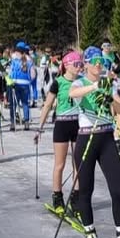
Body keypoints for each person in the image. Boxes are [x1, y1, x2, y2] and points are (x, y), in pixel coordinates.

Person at [70, 48, 120, 238]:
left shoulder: (110, 84)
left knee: (117, 190)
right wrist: (96, 86)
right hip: (86, 138)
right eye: (94, 61)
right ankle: (90, 234)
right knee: (86, 191)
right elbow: (73, 94)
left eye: (101, 62)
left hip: (106, 138)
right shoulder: (80, 82)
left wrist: (109, 97)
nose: (99, 65)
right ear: (85, 64)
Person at [39, 50, 84, 214]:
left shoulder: (82, 82)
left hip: (79, 125)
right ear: (66, 65)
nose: (80, 67)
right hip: (62, 125)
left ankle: (76, 198)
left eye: (81, 64)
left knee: (78, 165)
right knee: (60, 164)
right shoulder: (58, 82)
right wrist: (40, 128)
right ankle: (57, 197)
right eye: (77, 64)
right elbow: (47, 105)